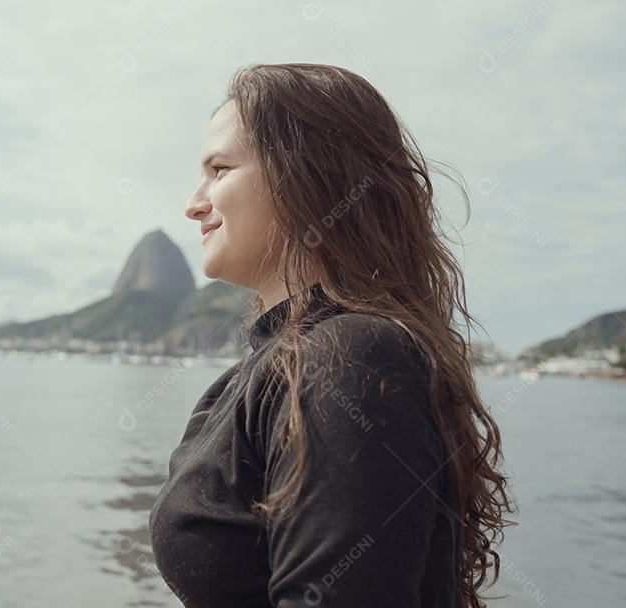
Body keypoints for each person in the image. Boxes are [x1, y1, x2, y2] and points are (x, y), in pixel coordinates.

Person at [148, 62, 514, 608]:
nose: (193, 202)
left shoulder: (351, 357)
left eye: (220, 170)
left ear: (304, 176)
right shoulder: (250, 378)